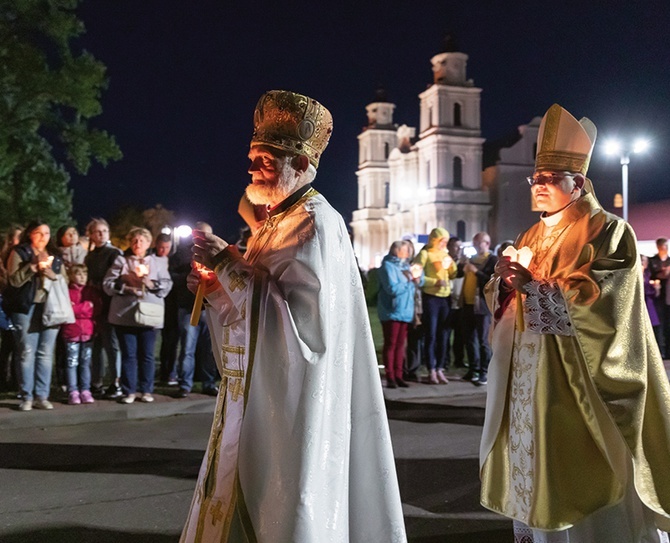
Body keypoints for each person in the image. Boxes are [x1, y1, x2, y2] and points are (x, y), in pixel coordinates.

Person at [181, 90, 405, 542]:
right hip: (261, 396)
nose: (251, 168)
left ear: (300, 164)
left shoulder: (317, 222)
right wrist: (217, 284)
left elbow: (309, 333)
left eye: (264, 159)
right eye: (252, 157)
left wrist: (230, 266)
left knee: (287, 498)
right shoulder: (276, 222)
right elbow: (256, 301)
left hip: (300, 402)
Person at [481, 104, 670, 542]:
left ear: (578, 182)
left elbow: (605, 305)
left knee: (580, 470)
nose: (539, 186)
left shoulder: (608, 231)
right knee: (536, 463)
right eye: (537, 178)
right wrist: (504, 285)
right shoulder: (530, 235)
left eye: (550, 179)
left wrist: (532, 289)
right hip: (529, 379)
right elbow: (505, 297)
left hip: (580, 382)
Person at [103, 227, 172, 404]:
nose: (137, 244)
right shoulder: (121, 261)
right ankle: (129, 391)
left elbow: (166, 284)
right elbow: (108, 284)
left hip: (149, 314)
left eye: (142, 240)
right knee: (128, 354)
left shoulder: (157, 262)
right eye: (134, 240)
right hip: (125, 315)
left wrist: (149, 283)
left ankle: (146, 390)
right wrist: (126, 287)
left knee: (147, 355)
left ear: (149, 243)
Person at [4, 221, 67, 411]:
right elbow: (13, 281)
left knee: (46, 353)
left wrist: (52, 275)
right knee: (26, 352)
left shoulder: (55, 257)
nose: (43, 237)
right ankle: (26, 396)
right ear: (30, 234)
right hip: (26, 307)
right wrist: (31, 267)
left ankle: (42, 395)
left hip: (50, 307)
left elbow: (65, 279)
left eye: (47, 233)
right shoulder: (19, 253)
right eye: (39, 233)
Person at [173, 222, 218, 398]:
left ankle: (209, 382)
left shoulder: (217, 255)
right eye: (199, 234)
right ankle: (185, 384)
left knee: (210, 349)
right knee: (187, 348)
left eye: (206, 234)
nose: (202, 238)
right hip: (188, 307)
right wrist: (188, 276)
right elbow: (173, 276)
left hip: (210, 308)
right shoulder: (182, 254)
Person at [413, 227, 457, 384]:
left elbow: (452, 274)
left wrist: (451, 265)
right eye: (441, 240)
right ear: (434, 239)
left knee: (443, 335)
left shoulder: (445, 255)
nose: (443, 243)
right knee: (431, 334)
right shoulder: (425, 254)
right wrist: (435, 282)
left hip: (445, 298)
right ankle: (431, 369)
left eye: (445, 241)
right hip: (431, 298)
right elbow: (416, 274)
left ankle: (440, 368)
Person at [84, 218, 122, 398]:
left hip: (109, 303)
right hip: (92, 305)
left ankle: (116, 382)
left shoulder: (114, 253)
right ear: (91, 235)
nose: (101, 234)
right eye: (97, 231)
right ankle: (96, 381)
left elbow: (117, 277)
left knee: (111, 344)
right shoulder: (90, 256)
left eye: (104, 231)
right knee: (96, 345)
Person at [378, 240, 420, 388]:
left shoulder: (406, 266)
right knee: (391, 343)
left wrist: (417, 280)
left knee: (401, 345)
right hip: (392, 310)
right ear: (397, 251)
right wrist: (408, 280)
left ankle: (399, 375)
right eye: (405, 250)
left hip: (406, 310)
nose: (408, 252)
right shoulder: (387, 267)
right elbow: (392, 289)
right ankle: (390, 376)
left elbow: (414, 286)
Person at [460, 232, 496, 386]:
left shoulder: (492, 260)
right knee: (470, 339)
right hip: (468, 304)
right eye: (474, 242)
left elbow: (491, 280)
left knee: (483, 340)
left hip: (482, 305)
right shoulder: (471, 260)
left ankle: (484, 371)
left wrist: (476, 272)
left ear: (486, 243)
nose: (475, 245)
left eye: (478, 242)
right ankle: (473, 369)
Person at [62, 263, 100, 405]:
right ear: (71, 276)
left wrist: (77, 308)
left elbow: (96, 309)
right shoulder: (67, 292)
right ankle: (73, 390)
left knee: (85, 361)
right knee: (72, 361)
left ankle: (85, 389)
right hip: (71, 331)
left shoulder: (91, 292)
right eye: (79, 274)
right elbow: (67, 310)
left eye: (85, 274)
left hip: (88, 331)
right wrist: (85, 307)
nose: (82, 277)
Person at [0, 225, 23, 392]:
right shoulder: (5, 257)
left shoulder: (25, 255)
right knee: (7, 344)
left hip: (18, 303)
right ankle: (3, 379)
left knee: (17, 345)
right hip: (5, 303)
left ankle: (16, 379)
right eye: (18, 237)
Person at [445, 236, 466, 369]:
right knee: (445, 334)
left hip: (460, 303)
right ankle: (444, 361)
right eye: (455, 246)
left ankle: (459, 360)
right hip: (447, 301)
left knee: (460, 335)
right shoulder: (445, 262)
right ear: (448, 247)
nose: (458, 249)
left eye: (460, 247)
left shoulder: (464, 263)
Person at [648, 237, 670, 358]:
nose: (663, 249)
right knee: (659, 324)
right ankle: (660, 350)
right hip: (656, 297)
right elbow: (650, 276)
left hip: (667, 294)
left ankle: (667, 350)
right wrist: (660, 275)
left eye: (665, 246)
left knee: (668, 323)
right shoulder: (652, 261)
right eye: (661, 246)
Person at [642, 255, 662, 349]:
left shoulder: (648, 273)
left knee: (653, 326)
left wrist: (656, 289)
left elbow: (652, 292)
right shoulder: (637, 274)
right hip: (641, 303)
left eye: (645, 261)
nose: (643, 263)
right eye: (641, 261)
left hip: (649, 303)